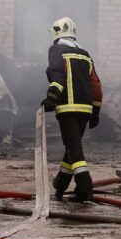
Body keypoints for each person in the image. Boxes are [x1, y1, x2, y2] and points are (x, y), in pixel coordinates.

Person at [41, 17, 102, 203]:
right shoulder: (85, 54)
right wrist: (95, 111)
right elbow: (96, 85)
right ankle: (61, 183)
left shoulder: (56, 50)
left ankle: (85, 189)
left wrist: (51, 98)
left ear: (56, 33)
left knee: (75, 148)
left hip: (68, 109)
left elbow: (58, 76)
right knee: (72, 148)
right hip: (85, 110)